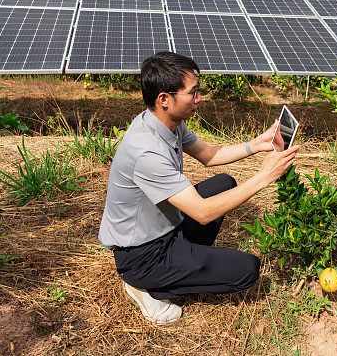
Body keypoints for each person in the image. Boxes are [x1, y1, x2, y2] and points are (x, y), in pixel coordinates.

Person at [98, 51, 299, 324]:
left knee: (224, 183)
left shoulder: (165, 122)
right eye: (192, 93)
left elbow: (208, 155)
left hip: (166, 226)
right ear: (165, 100)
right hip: (144, 255)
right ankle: (149, 287)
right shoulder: (146, 152)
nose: (199, 99)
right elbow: (203, 213)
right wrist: (264, 177)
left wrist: (257, 144)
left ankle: (183, 262)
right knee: (247, 270)